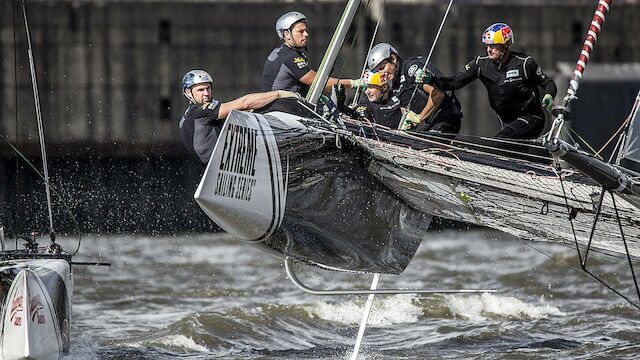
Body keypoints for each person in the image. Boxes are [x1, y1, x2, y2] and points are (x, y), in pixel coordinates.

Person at [416, 23, 557, 139]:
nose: (489, 50)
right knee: (512, 151)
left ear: (506, 45)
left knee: (500, 141)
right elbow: (454, 82)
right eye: (487, 45)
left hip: (532, 118)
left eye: (493, 45)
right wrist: (431, 79)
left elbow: (548, 83)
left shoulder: (525, 63)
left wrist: (549, 96)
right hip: (507, 122)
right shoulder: (480, 64)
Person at [179, 69, 298, 164]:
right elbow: (245, 102)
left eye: (208, 88)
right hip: (218, 164)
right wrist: (279, 94)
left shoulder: (193, 113)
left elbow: (243, 110)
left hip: (220, 162)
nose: (206, 93)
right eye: (200, 90)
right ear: (189, 93)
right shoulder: (199, 111)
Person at [365, 43, 462, 134]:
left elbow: (437, 94)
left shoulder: (410, 69)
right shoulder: (395, 84)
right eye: (378, 71)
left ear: (393, 59)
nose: (382, 74)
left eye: (382, 68)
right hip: (432, 122)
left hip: (447, 117)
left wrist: (418, 118)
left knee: (423, 147)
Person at [262, 11, 363, 97]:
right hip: (283, 110)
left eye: (305, 30)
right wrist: (354, 83)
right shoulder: (290, 57)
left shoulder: (279, 51)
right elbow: (320, 84)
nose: (306, 34)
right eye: (301, 31)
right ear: (287, 34)